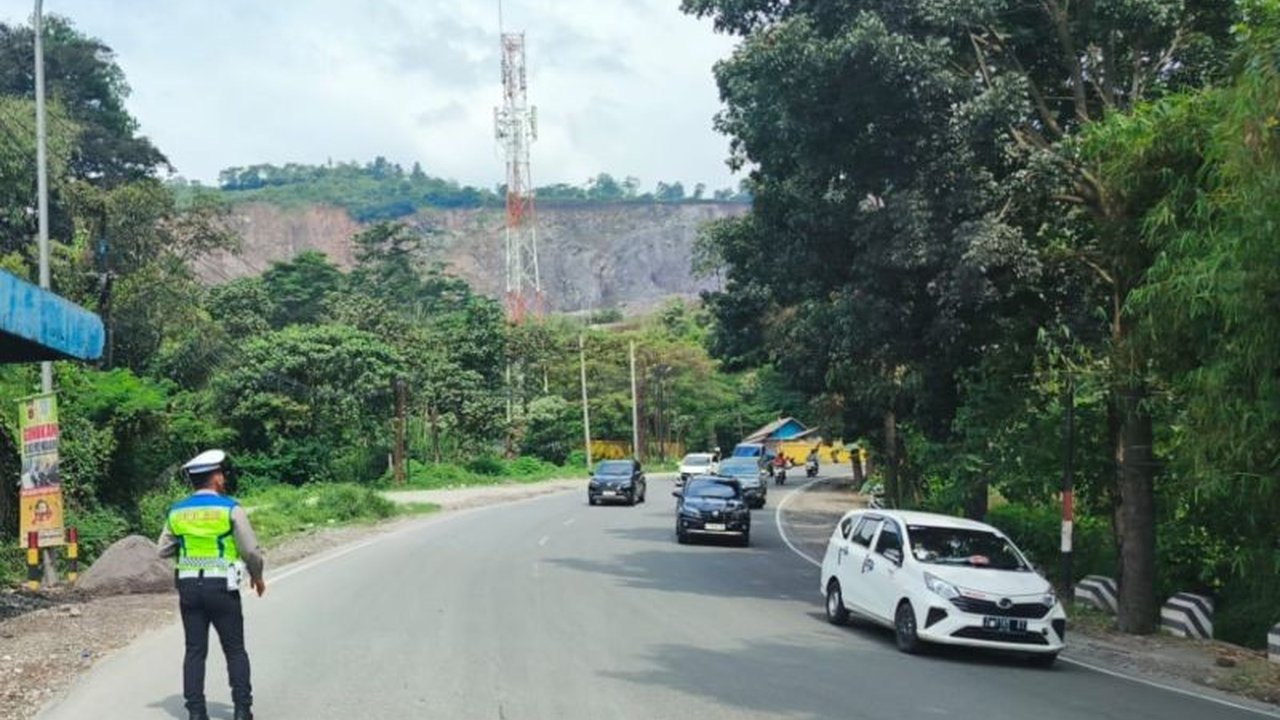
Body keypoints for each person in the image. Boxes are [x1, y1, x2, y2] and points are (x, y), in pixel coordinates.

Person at [157, 450, 265, 720]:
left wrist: (186, 544)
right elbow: (250, 550)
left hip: (189, 589)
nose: (223, 477)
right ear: (215, 478)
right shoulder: (230, 508)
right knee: (235, 649)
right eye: (221, 473)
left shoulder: (177, 512)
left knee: (194, 650)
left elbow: (163, 549)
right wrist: (257, 576)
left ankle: (196, 712)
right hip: (222, 588)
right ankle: (242, 710)